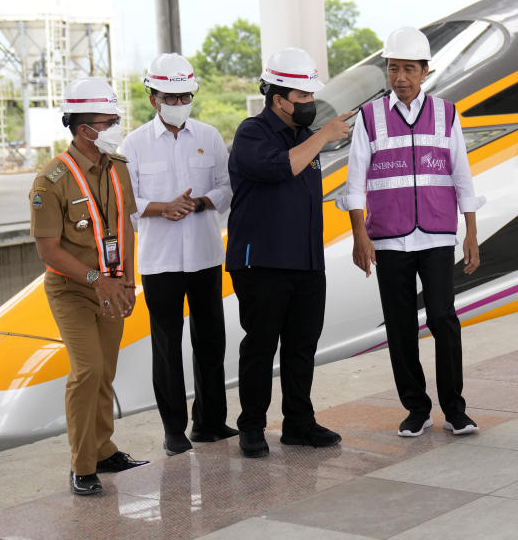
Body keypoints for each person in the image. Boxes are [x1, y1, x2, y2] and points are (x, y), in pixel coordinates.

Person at [339, 26, 484, 438]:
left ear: (425, 71)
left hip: (437, 235)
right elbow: (354, 182)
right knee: (400, 325)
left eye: (408, 69)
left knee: (443, 318)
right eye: (393, 68)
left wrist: (470, 233)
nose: (400, 77)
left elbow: (462, 177)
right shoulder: (369, 118)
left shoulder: (447, 113)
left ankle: (455, 409)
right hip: (388, 238)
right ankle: (416, 408)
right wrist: (359, 236)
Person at [226, 47, 351, 458]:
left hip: (305, 262)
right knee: (261, 345)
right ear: (278, 99)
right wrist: (323, 136)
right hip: (262, 262)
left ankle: (299, 423)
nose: (309, 104)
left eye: (311, 97)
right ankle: (252, 426)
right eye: (302, 98)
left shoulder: (303, 137)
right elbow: (280, 168)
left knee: (302, 345)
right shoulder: (252, 133)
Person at [30, 77, 148, 496]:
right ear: (85, 129)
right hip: (72, 289)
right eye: (109, 120)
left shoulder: (116, 169)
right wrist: (98, 281)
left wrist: (127, 282)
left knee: (106, 371)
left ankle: (103, 448)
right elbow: (48, 252)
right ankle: (82, 466)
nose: (117, 125)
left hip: (113, 286)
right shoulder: (52, 180)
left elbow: (126, 229)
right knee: (88, 370)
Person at [120, 53, 236, 456]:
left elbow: (227, 187)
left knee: (211, 342)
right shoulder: (132, 145)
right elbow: (126, 200)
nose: (178, 103)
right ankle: (174, 430)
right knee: (166, 347)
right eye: (170, 97)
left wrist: (202, 202)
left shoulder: (209, 137)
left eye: (185, 95)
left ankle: (210, 422)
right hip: (161, 261)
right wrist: (162, 207)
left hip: (205, 255)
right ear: (153, 98)